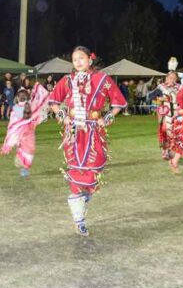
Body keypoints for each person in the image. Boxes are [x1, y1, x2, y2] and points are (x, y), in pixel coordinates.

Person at [48, 46, 126, 236]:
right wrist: (63, 116)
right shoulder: (67, 80)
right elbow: (53, 101)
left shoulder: (102, 79)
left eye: (81, 58)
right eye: (74, 59)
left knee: (93, 171)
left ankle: (81, 202)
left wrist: (106, 118)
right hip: (74, 132)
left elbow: (118, 103)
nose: (78, 62)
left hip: (93, 131)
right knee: (76, 170)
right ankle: (79, 220)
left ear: (90, 60)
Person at [0, 83, 50, 178]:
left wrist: (9, 144)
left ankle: (22, 164)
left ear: (17, 98)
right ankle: (25, 167)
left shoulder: (15, 109)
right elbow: (40, 107)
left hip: (20, 134)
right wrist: (37, 86)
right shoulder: (32, 106)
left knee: (21, 148)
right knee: (28, 150)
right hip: (29, 133)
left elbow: (13, 126)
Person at [149, 71, 180, 160]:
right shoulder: (161, 87)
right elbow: (151, 96)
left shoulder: (179, 87)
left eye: (174, 78)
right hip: (165, 114)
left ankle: (172, 150)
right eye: (170, 78)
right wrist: (159, 99)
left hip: (176, 114)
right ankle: (165, 151)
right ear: (166, 78)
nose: (172, 80)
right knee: (165, 133)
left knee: (175, 133)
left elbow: (182, 98)